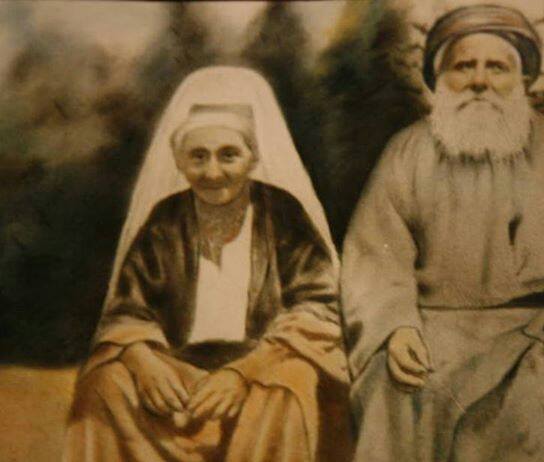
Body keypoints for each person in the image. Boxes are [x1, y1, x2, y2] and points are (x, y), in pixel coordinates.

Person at [341, 5, 544, 461]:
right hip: (437, 334)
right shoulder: (406, 153)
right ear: (439, 80)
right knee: (388, 380)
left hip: (542, 331)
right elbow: (374, 258)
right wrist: (395, 327)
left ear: (521, 80)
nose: (480, 81)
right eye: (463, 67)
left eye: (496, 67)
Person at [64, 66, 351, 462]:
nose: (213, 172)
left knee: (288, 384)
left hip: (263, 366)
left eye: (228, 155)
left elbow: (317, 307)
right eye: (198, 157)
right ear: (179, 162)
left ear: (252, 158)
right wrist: (141, 359)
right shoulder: (165, 221)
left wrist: (243, 372)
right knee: (103, 383)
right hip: (178, 371)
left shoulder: (284, 216)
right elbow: (128, 308)